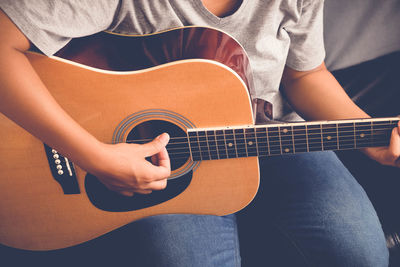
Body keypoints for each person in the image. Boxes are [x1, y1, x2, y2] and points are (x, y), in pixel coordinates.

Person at [0, 0, 397, 266]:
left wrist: (370, 135)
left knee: (361, 255)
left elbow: (306, 74)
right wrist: (92, 155)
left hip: (273, 134)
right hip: (133, 158)